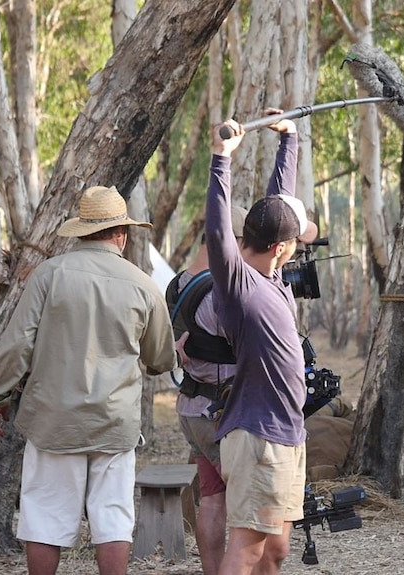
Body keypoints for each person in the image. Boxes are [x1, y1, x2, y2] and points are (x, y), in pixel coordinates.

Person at [0, 185, 177, 575]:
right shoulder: (143, 284)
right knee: (113, 519)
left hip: (54, 421)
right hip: (114, 423)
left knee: (44, 517)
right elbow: (160, 360)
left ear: (81, 231)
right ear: (120, 234)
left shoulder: (49, 275)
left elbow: (17, 343)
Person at [206, 113, 317, 575]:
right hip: (257, 436)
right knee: (249, 548)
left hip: (289, 434)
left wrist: (288, 140)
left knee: (275, 551)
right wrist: (220, 161)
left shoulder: (272, 276)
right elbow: (216, 234)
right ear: (281, 248)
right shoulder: (239, 285)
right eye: (296, 242)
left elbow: (279, 206)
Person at [172, 204, 247, 575]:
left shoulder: (182, 281)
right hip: (222, 413)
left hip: (192, 407)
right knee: (246, 506)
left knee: (213, 500)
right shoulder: (224, 291)